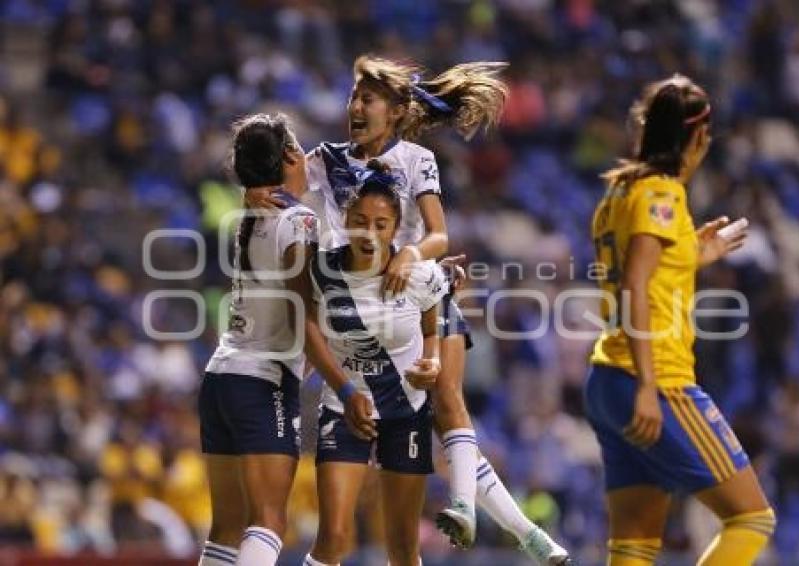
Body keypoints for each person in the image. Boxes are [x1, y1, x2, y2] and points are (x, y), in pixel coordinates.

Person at [248, 54, 569, 564]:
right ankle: (523, 529)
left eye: (367, 98)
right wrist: (258, 194)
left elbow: (438, 233)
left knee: (446, 404)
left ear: (397, 111)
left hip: (417, 295)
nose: (355, 105)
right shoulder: (324, 159)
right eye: (353, 96)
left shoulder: (417, 159)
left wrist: (411, 254)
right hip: (355, 306)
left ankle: (469, 509)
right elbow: (282, 193)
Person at [585, 75, 776, 566]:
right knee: (752, 518)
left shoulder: (618, 194)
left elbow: (643, 270)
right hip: (655, 381)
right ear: (696, 137)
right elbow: (635, 285)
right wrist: (649, 386)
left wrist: (693, 251)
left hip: (607, 381)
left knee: (635, 543)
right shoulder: (662, 194)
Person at [301, 165, 446, 566]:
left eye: (381, 224)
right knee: (332, 536)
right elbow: (310, 332)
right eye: (360, 221)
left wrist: (431, 364)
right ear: (345, 220)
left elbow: (433, 333)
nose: (369, 232)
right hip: (344, 407)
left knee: (401, 545)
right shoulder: (320, 269)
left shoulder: (421, 274)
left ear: (396, 228)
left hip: (407, 410)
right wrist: (346, 392)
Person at [197, 113, 316, 566]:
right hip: (263, 380)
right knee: (268, 521)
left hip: (221, 377)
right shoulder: (299, 219)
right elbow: (302, 312)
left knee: (225, 527)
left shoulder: (251, 211)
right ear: (289, 156)